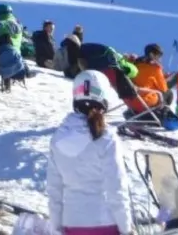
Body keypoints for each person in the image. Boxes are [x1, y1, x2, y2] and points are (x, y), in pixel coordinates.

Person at [46, 70, 132, 235]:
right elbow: (116, 188)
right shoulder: (106, 137)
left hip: (71, 224)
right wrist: (126, 229)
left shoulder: (58, 138)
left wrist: (56, 227)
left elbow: (54, 190)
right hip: (105, 222)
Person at [129, 43, 169, 111]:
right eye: (158, 56)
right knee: (168, 94)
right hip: (146, 100)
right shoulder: (155, 68)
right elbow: (163, 88)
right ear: (151, 54)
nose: (159, 58)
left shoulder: (134, 65)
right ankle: (161, 116)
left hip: (131, 99)